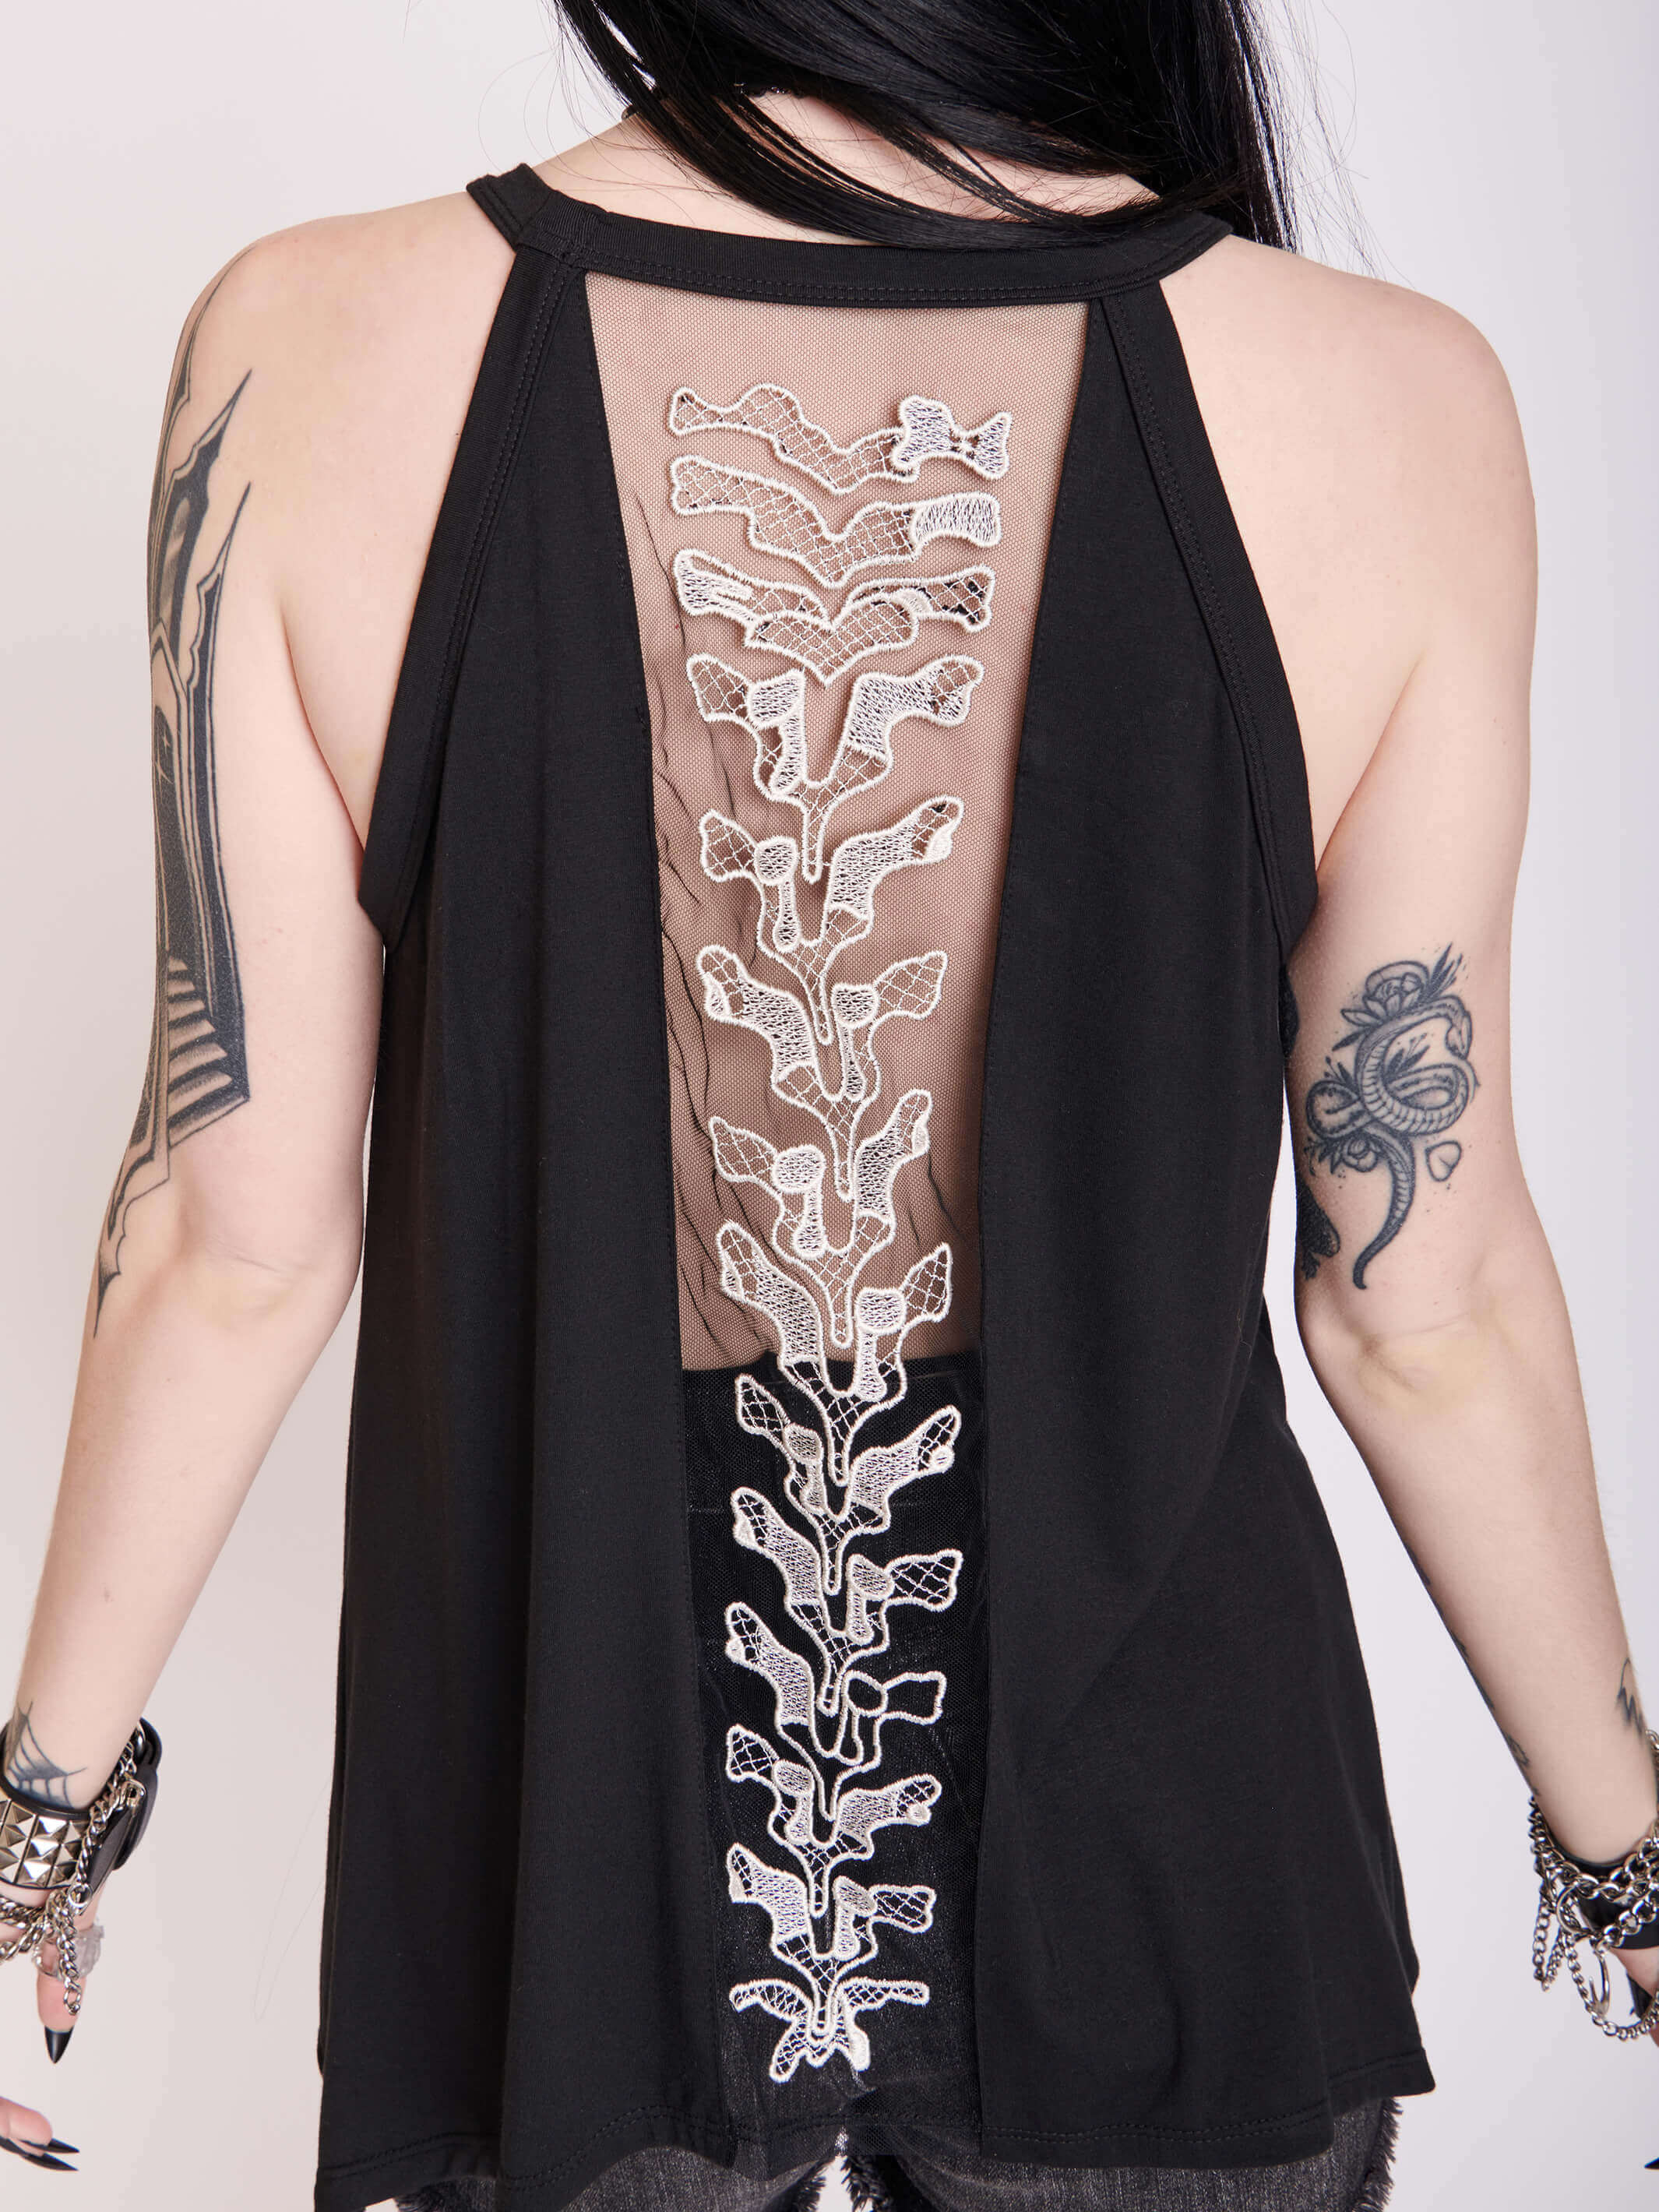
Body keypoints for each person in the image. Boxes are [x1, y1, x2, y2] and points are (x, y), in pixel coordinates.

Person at [2, 1, 1655, 2206]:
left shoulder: (307, 346)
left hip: (570, 1844)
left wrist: (33, 1831)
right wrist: (1626, 1855)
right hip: (1176, 1845)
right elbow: (1416, 1293)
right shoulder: (1390, 398)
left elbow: (236, 1239)